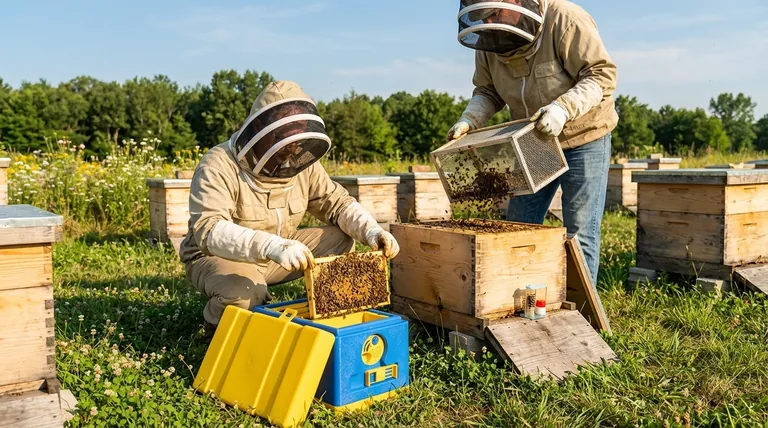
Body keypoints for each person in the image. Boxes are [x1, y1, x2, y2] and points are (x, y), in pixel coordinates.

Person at [178, 80, 400, 338]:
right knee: (243, 295)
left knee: (339, 238)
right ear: (259, 127)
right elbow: (209, 230)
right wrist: (270, 246)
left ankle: (331, 312)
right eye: (285, 137)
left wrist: (371, 230)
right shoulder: (218, 164)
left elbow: (336, 201)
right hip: (217, 257)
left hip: (277, 253)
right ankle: (214, 328)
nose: (293, 147)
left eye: (298, 136)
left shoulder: (302, 165)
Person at [448, 0, 618, 285]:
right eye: (482, 18)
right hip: (534, 140)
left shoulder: (566, 19)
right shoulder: (491, 42)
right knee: (518, 226)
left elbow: (601, 75)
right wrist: (470, 119)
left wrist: (563, 109)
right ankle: (518, 298)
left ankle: (584, 313)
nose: (488, 24)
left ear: (515, 1)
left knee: (579, 231)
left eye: (493, 14)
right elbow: (488, 91)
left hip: (585, 135)